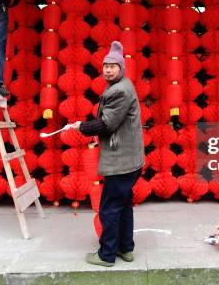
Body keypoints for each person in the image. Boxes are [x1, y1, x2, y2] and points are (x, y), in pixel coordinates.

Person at [70, 41, 145, 267]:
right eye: (105, 66)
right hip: (129, 159)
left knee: (109, 208)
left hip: (121, 161)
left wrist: (81, 127)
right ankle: (126, 248)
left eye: (113, 66)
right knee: (123, 204)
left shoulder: (119, 90)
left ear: (121, 68)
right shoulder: (122, 86)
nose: (108, 70)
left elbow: (107, 124)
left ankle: (107, 254)